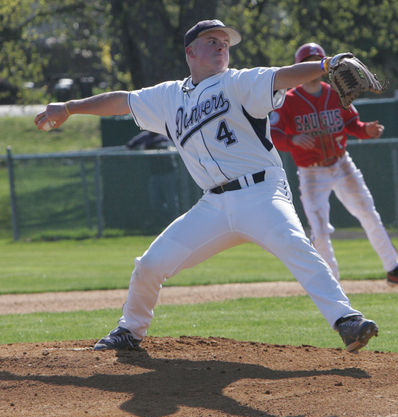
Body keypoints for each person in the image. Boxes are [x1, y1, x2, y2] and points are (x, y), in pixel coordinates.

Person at [35, 20, 379, 353]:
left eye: (225, 42)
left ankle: (346, 319)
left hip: (262, 193)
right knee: (149, 265)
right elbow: (120, 101)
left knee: (295, 243)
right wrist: (69, 107)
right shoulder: (168, 97)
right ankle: (130, 330)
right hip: (213, 205)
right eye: (212, 40)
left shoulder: (238, 82)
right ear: (190, 52)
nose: (221, 46)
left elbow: (281, 75)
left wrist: (324, 64)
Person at [270, 42, 398, 284]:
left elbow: (352, 125)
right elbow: (273, 135)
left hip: (342, 165)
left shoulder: (335, 93)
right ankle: (331, 282)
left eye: (316, 61)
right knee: (319, 230)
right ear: (300, 66)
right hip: (311, 172)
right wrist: (292, 139)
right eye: (307, 61)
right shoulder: (287, 100)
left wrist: (365, 130)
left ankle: (393, 268)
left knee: (369, 215)